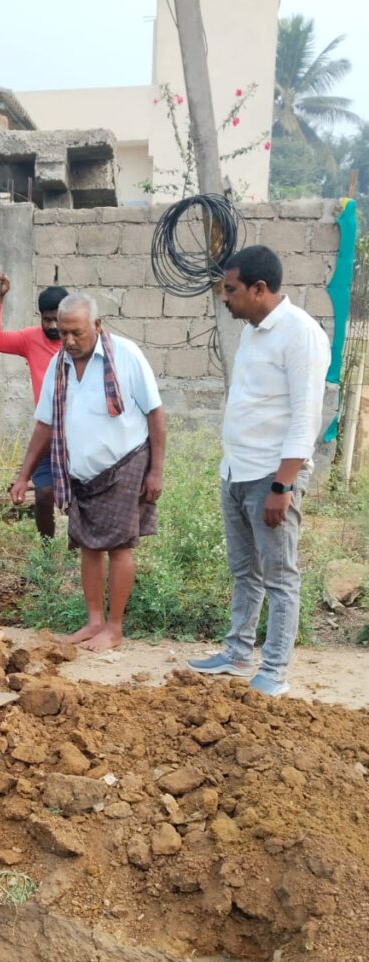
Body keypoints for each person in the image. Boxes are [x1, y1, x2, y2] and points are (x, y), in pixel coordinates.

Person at [188, 245, 331, 697]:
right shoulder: (253, 329)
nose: (225, 298)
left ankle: (274, 671)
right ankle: (236, 652)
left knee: (280, 576)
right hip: (237, 472)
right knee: (244, 571)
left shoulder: (300, 334)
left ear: (259, 288)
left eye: (231, 290)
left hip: (271, 477)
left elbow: (306, 418)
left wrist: (282, 485)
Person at [9, 293, 166, 652]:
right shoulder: (59, 365)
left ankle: (114, 626)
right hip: (80, 472)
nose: (68, 341)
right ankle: (94, 621)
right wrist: (24, 475)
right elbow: (44, 424)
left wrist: (156, 470)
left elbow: (155, 414)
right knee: (88, 546)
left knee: (120, 547)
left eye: (76, 333)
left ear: (97, 326)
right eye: (63, 333)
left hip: (126, 464)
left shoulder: (126, 356)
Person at [0, 271, 68, 538]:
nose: (53, 325)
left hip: (79, 432)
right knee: (44, 494)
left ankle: (78, 551)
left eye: (58, 319)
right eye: (47, 320)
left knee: (79, 498)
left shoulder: (79, 342)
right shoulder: (31, 339)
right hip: (46, 429)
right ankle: (46, 548)